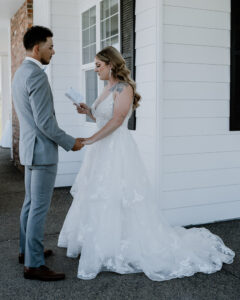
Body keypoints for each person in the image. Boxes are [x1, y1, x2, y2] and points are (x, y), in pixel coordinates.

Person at [58, 46, 234, 281]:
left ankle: (117, 245)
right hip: (101, 149)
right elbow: (104, 117)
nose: (96, 70)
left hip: (115, 149)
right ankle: (101, 242)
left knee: (118, 195)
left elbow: (118, 120)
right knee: (99, 195)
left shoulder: (124, 88)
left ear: (111, 65)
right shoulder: (107, 87)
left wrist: (89, 140)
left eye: (99, 66)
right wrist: (89, 111)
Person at [12, 26, 84, 281]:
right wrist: (70, 142)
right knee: (39, 208)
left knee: (30, 205)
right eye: (50, 46)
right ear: (37, 48)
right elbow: (45, 123)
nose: (54, 51)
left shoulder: (20, 73)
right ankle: (33, 264)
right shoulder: (37, 76)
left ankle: (26, 251)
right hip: (42, 153)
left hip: (29, 150)